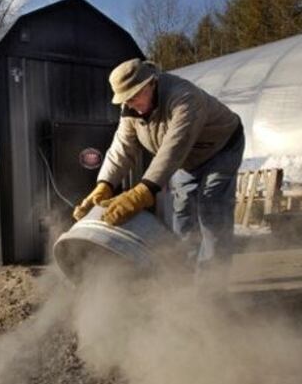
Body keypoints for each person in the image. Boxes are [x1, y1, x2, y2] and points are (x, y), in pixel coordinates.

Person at [72, 58, 244, 276]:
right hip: (186, 159)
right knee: (182, 214)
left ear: (150, 83)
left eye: (134, 96)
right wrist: (104, 184)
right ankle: (186, 276)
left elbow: (174, 147)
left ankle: (212, 286)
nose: (130, 103)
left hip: (220, 148)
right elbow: (122, 147)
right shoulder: (130, 110)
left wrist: (142, 193)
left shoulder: (184, 98)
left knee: (211, 211)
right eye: (126, 99)